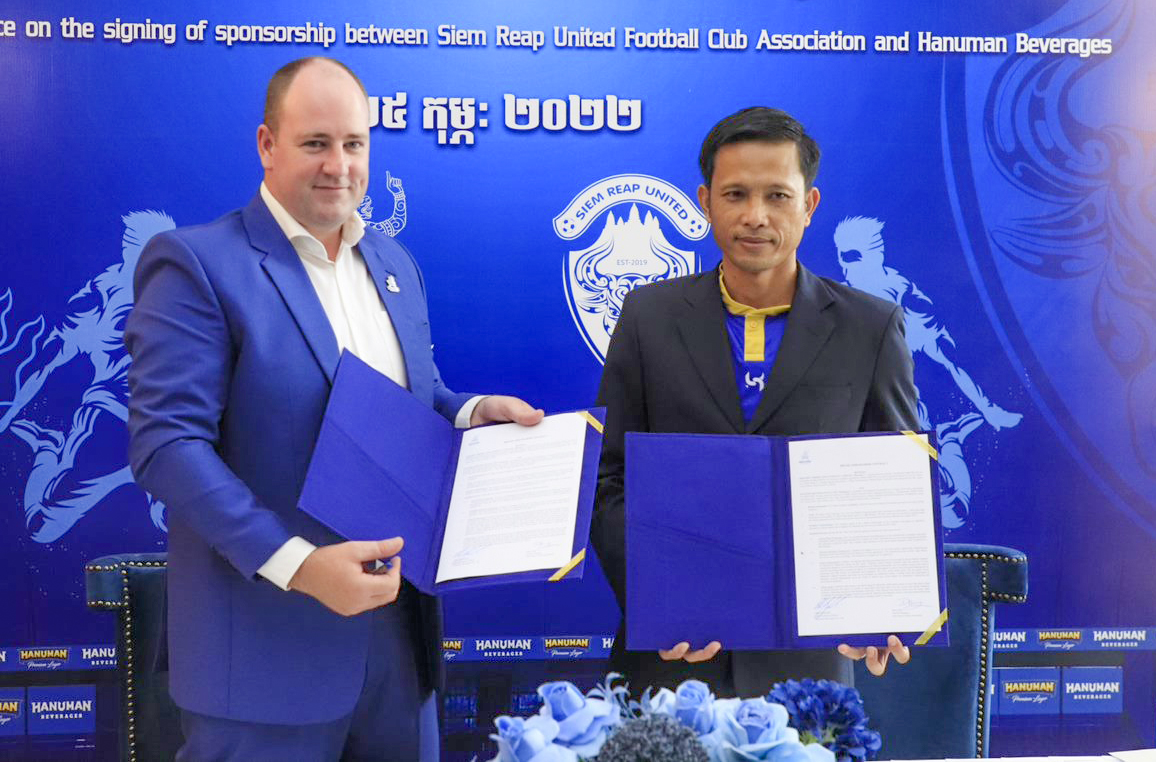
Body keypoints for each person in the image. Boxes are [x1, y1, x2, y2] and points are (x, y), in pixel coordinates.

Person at [124, 57, 541, 762]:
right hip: (263, 660)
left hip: (398, 649)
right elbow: (167, 445)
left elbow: (411, 397)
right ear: (267, 144)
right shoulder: (196, 263)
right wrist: (299, 564)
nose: (339, 166)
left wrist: (470, 412)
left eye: (354, 144)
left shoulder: (394, 264)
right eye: (316, 143)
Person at [590, 106, 919, 699]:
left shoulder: (870, 329)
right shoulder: (648, 317)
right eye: (735, 194)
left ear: (809, 205)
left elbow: (893, 485)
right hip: (670, 662)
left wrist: (883, 604)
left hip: (808, 673)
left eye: (777, 196)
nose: (755, 216)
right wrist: (654, 597)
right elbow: (608, 478)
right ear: (705, 202)